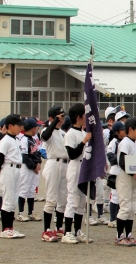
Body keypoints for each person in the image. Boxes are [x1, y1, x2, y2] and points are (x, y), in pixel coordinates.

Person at [115, 117, 136, 246]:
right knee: (125, 206)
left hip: (132, 177)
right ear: (130, 129)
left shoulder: (134, 144)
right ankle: (119, 236)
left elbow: (135, 163)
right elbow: (123, 162)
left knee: (132, 207)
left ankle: (128, 234)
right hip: (125, 177)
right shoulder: (125, 142)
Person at [61, 104, 92, 244]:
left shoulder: (82, 132)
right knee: (73, 198)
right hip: (74, 166)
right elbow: (72, 154)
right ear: (79, 117)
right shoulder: (70, 134)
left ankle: (77, 230)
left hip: (83, 167)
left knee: (81, 200)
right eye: (84, 115)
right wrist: (84, 141)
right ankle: (67, 232)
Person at [40, 106, 68, 241]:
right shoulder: (47, 130)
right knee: (51, 198)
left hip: (65, 164)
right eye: (59, 116)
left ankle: (58, 228)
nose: (61, 119)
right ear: (52, 118)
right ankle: (46, 230)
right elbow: (45, 137)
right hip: (53, 163)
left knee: (63, 198)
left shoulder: (63, 133)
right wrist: (53, 122)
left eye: (62, 117)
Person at [0, 114, 26, 239]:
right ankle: (5, 229)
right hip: (8, 169)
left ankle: (10, 227)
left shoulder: (16, 139)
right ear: (10, 126)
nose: (21, 127)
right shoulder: (5, 140)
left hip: (17, 169)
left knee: (14, 199)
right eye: (18, 125)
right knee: (8, 199)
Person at [17, 118, 43, 223]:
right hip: (26, 168)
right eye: (36, 127)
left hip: (34, 167)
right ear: (32, 128)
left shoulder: (33, 139)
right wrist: (33, 166)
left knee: (32, 190)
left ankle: (30, 212)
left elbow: (37, 153)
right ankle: (21, 213)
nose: (37, 129)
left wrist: (39, 163)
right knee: (24, 189)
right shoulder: (23, 140)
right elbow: (24, 157)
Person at [106, 121, 126, 228]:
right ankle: (112, 219)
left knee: (121, 196)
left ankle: (118, 217)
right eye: (123, 129)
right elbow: (110, 156)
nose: (125, 131)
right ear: (117, 132)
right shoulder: (114, 142)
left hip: (123, 170)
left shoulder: (127, 141)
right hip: (115, 169)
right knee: (115, 196)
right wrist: (122, 160)